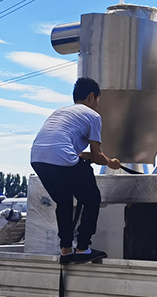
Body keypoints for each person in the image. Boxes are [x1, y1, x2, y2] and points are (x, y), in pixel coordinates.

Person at [30, 77, 121, 264]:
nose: (97, 105)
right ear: (92, 96)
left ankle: (66, 249)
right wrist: (111, 163)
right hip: (62, 158)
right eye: (98, 100)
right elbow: (97, 156)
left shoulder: (60, 111)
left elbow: (59, 141)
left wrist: (84, 156)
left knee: (63, 202)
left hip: (38, 159)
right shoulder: (93, 115)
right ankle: (83, 248)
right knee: (92, 198)